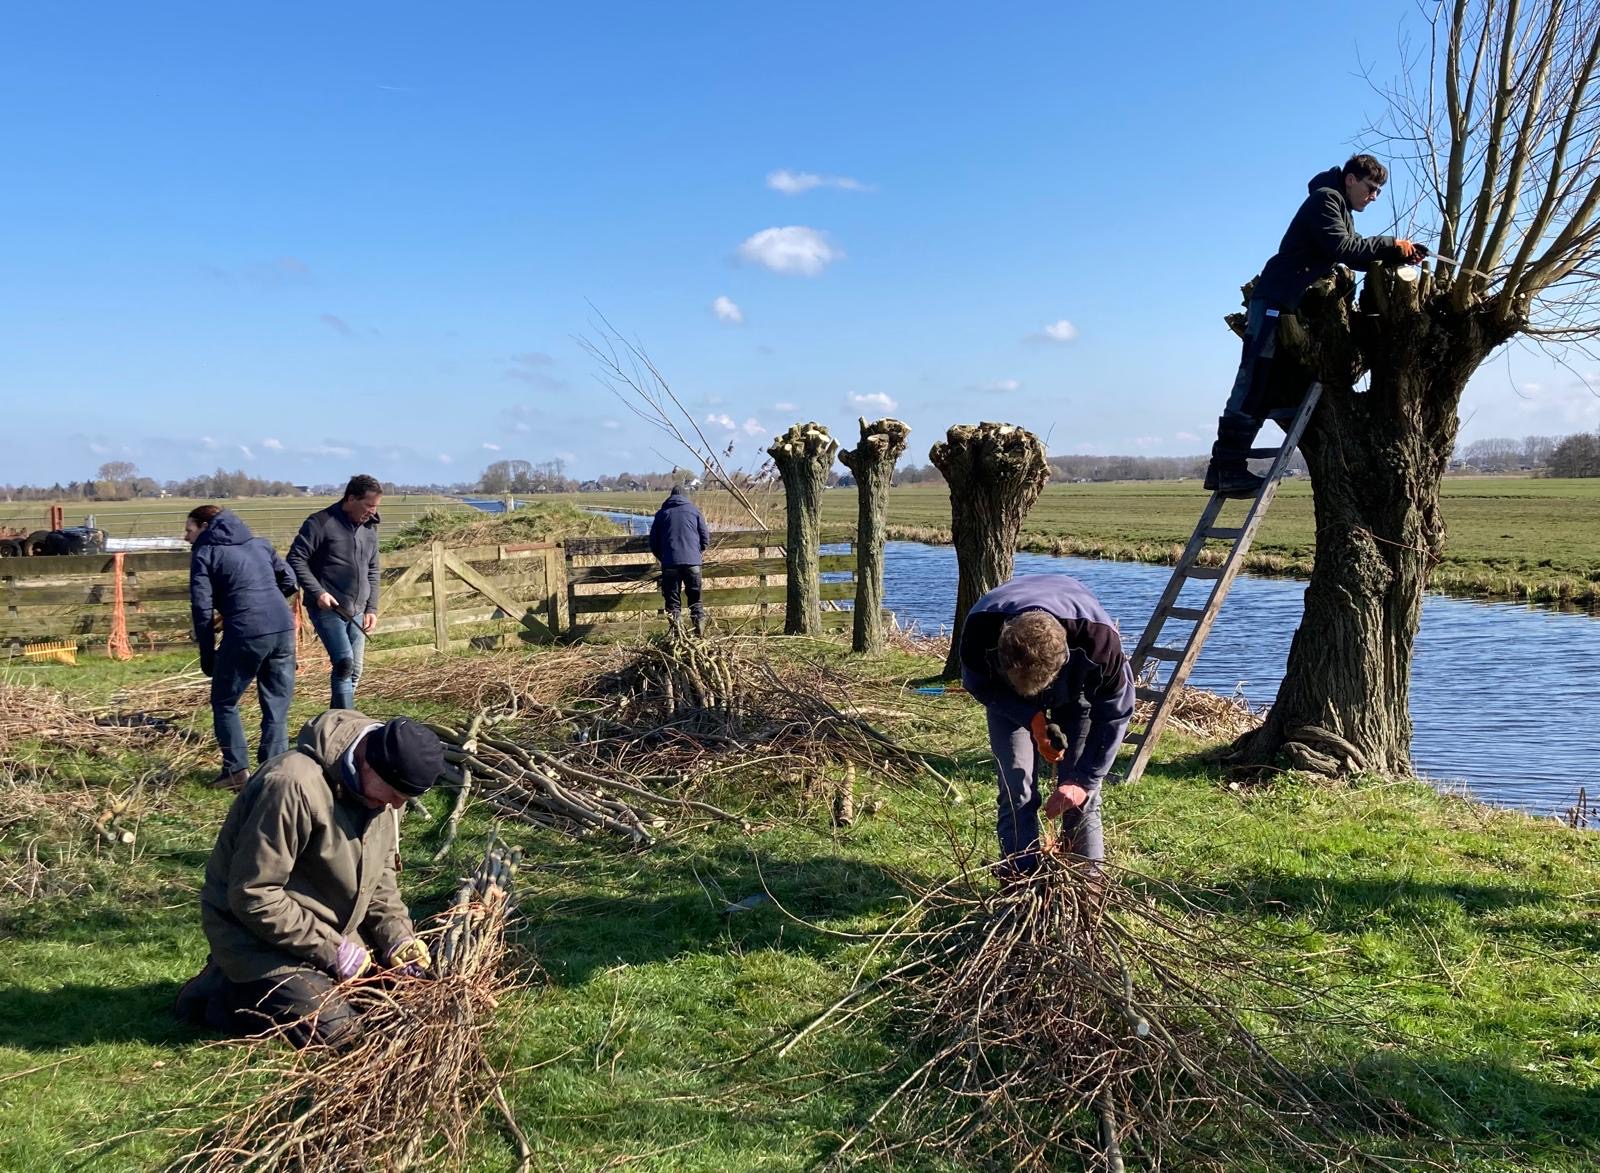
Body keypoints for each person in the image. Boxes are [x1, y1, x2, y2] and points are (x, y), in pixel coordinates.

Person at [174, 712, 445, 1047]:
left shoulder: (386, 793)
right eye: (393, 795)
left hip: (329, 930)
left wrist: (398, 938)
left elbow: (381, 879)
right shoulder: (290, 786)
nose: (396, 805)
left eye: (404, 799)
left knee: (399, 1006)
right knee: (340, 1033)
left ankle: (300, 984)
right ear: (368, 763)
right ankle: (220, 992)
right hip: (256, 938)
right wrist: (333, 951)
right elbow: (253, 894)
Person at [1206, 154, 1426, 497]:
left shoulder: (1340, 208)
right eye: (1371, 188)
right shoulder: (1326, 200)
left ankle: (1227, 468)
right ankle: (1226, 468)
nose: (1374, 197)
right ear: (1351, 179)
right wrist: (1389, 244)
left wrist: (1398, 254)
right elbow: (1344, 247)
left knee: (1267, 386)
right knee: (1253, 381)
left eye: (1379, 192)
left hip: (1285, 303)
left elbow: (1353, 253)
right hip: (1275, 300)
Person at [958, 575, 1135, 875]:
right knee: (1016, 791)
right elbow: (978, 685)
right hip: (1007, 697)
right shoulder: (979, 632)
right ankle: (1020, 884)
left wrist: (1084, 780)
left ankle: (1087, 890)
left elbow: (1116, 713)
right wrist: (1032, 719)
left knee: (1080, 799)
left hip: (1077, 693)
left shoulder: (1099, 641)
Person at [186, 505, 299, 791]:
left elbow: (201, 609)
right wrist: (265, 602)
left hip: (247, 632)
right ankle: (276, 771)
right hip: (283, 627)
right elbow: (289, 581)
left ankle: (235, 771)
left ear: (205, 526)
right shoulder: (260, 544)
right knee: (276, 703)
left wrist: (208, 654)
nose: (185, 537)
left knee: (225, 701)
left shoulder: (205, 553)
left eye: (189, 530)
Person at [287, 475, 383, 709]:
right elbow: (296, 559)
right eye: (369, 505)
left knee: (355, 670)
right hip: (328, 608)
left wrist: (371, 607)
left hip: (358, 610)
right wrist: (318, 592)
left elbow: (373, 569)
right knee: (344, 664)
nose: (372, 511)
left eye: (376, 506)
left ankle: (336, 721)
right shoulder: (320, 523)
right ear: (351, 498)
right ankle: (346, 724)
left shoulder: (369, 529)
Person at [648, 485, 711, 635]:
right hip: (693, 563)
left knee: (673, 602)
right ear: (686, 497)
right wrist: (695, 554)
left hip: (670, 563)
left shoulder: (662, 513)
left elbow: (653, 543)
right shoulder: (694, 511)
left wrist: (663, 558)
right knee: (696, 600)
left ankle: (679, 637)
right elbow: (705, 539)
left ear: (670, 496)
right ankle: (699, 634)